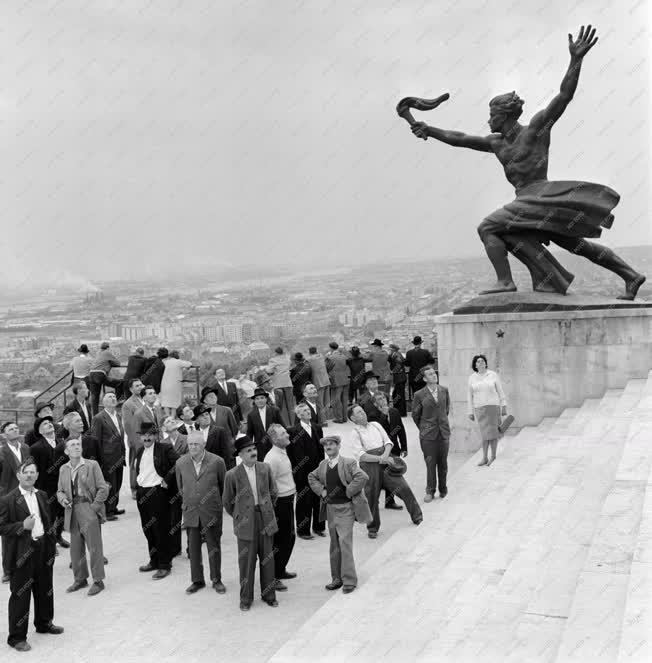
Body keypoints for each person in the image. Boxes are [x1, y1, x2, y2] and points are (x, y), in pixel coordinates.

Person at [0, 459, 64, 651]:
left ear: (37, 475)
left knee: (45, 588)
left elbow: (48, 520)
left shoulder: (43, 495)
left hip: (43, 548)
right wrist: (22, 526)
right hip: (21, 553)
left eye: (32, 472)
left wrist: (51, 543)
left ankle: (44, 623)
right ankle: (17, 637)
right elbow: (1, 527)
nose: (29, 475)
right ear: (19, 475)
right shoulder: (8, 500)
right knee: (21, 594)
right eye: (25, 472)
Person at [307, 435, 371, 595]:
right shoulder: (322, 465)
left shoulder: (348, 463)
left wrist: (349, 491)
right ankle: (337, 578)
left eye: (331, 444)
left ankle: (349, 580)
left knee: (344, 543)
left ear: (338, 446)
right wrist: (321, 491)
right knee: (334, 544)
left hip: (345, 509)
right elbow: (311, 477)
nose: (328, 447)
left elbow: (362, 477)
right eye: (326, 445)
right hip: (330, 509)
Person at [223, 435, 279, 611]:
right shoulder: (231, 475)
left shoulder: (265, 468)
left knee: (267, 559)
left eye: (254, 449)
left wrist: (266, 510)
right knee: (246, 562)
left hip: (265, 518)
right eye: (248, 451)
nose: (253, 452)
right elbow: (228, 501)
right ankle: (245, 598)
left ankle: (269, 595)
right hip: (245, 522)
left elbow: (273, 492)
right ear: (240, 454)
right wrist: (240, 516)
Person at [348, 404, 422, 537]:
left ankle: (417, 516)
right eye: (359, 413)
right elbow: (361, 455)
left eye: (363, 411)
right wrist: (379, 458)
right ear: (353, 418)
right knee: (372, 497)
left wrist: (385, 456)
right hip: (369, 466)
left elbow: (388, 441)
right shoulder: (355, 433)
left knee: (403, 487)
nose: (363, 414)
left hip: (386, 459)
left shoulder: (376, 424)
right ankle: (372, 528)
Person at [175, 430, 226, 595]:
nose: (193, 447)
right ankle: (197, 580)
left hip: (211, 511)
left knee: (214, 546)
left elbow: (223, 486)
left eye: (196, 444)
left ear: (203, 444)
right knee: (194, 548)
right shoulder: (181, 463)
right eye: (190, 444)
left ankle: (216, 579)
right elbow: (181, 487)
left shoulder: (217, 461)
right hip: (191, 512)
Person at [57, 437, 109, 596]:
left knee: (94, 547)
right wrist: (63, 499)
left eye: (78, 444)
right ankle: (80, 579)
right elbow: (59, 491)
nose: (77, 447)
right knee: (76, 548)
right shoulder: (63, 469)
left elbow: (103, 488)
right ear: (66, 451)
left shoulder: (92, 465)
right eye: (72, 445)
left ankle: (98, 581)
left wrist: (94, 507)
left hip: (88, 507)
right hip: (71, 511)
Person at [135, 421, 179, 580]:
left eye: (150, 435)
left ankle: (165, 564)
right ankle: (154, 560)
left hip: (157, 492)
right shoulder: (140, 451)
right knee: (148, 529)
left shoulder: (164, 448)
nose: (146, 438)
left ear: (155, 436)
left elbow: (177, 464)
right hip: (142, 493)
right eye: (144, 435)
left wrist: (166, 480)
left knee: (160, 529)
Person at [264, 424, 297, 592]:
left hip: (288, 499)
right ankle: (274, 576)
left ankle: (281, 569)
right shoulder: (272, 458)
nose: (287, 435)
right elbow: (268, 485)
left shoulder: (282, 452)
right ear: (275, 439)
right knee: (282, 540)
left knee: (289, 537)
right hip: (280, 504)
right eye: (283, 433)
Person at [411, 367, 451, 502]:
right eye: (430, 374)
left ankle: (443, 489)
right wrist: (424, 428)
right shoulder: (419, 394)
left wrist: (442, 424)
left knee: (443, 463)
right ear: (424, 379)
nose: (434, 375)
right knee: (430, 463)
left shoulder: (444, 390)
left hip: (443, 433)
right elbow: (416, 415)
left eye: (434, 373)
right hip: (428, 435)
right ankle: (430, 491)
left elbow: (446, 410)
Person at [287, 402, 325, 540]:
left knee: (318, 499)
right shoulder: (292, 431)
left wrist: (323, 468)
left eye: (308, 409)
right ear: (298, 415)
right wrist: (294, 471)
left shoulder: (317, 428)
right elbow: (290, 453)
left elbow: (322, 449)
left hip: (317, 470)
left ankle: (319, 527)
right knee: (304, 501)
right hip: (301, 472)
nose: (307, 412)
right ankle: (303, 530)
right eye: (304, 410)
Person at [30, 417, 69, 549]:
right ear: (40, 431)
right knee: (49, 517)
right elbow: (36, 470)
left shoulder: (62, 442)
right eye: (44, 424)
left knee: (62, 514)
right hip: (46, 488)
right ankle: (49, 543)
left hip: (63, 486)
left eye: (49, 423)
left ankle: (58, 536)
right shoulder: (36, 448)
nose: (49, 425)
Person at [0, 422, 30, 583]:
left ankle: (25, 564)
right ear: (4, 435)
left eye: (16, 427)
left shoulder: (25, 448)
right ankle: (8, 570)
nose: (15, 430)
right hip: (7, 498)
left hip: (26, 494)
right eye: (10, 429)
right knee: (8, 534)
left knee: (26, 529)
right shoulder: (2, 452)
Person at [91, 393, 126, 520]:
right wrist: (98, 460)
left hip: (119, 456)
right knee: (108, 485)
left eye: (114, 397)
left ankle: (113, 507)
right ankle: (107, 511)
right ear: (103, 402)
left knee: (118, 483)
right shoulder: (99, 418)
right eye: (109, 397)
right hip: (107, 458)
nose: (113, 398)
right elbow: (95, 440)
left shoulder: (118, 415)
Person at [468, 354, 508, 466]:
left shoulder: (493, 375)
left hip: (493, 407)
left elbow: (500, 391)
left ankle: (493, 456)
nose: (480, 363)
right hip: (479, 408)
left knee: (493, 433)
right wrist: (470, 412)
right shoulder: (472, 378)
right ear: (475, 365)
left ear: (486, 363)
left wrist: (504, 405)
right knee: (485, 434)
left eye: (482, 361)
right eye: (478, 361)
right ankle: (485, 458)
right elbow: (469, 396)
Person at [246, 387, 286, 461]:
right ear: (254, 401)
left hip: (275, 445)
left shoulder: (274, 410)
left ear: (266, 399)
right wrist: (249, 448)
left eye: (262, 398)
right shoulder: (251, 415)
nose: (260, 400)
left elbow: (283, 427)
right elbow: (249, 434)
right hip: (260, 448)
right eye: (257, 399)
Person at [121, 378, 145, 499]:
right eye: (136, 386)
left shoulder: (146, 400)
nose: (140, 387)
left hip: (150, 438)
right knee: (135, 464)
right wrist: (135, 441)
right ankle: (134, 488)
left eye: (140, 385)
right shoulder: (128, 404)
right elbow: (128, 425)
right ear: (131, 389)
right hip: (136, 439)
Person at [193, 404, 234, 469]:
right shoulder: (194, 435)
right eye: (202, 415)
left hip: (217, 469)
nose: (206, 417)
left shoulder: (220, 431)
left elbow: (227, 454)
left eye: (207, 414)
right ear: (197, 421)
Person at [88, 341, 122, 415]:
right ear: (108, 347)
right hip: (99, 374)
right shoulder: (107, 352)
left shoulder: (98, 353)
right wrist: (110, 363)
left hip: (91, 374)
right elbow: (118, 363)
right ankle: (116, 401)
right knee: (119, 383)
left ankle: (95, 415)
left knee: (95, 396)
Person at [267, 347, 295, 426]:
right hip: (288, 383)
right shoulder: (287, 359)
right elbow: (290, 367)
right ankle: (293, 423)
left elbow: (269, 371)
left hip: (278, 385)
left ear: (275, 352)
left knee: (282, 406)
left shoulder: (273, 360)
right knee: (290, 405)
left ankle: (286, 425)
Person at [325, 341, 350, 423]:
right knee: (344, 399)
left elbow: (326, 368)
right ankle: (345, 417)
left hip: (336, 380)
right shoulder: (343, 356)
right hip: (345, 379)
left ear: (330, 348)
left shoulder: (330, 357)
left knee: (336, 400)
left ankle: (339, 418)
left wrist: (326, 357)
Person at [307, 347, 330, 423]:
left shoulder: (310, 359)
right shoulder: (321, 356)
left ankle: (323, 421)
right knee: (326, 402)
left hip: (319, 382)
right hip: (326, 381)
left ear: (309, 352)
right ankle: (326, 418)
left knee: (319, 403)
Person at [388, 343, 407, 416]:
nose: (389, 351)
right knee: (396, 395)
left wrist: (392, 371)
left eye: (390, 349)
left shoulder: (397, 355)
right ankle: (398, 411)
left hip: (400, 378)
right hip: (399, 378)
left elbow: (399, 365)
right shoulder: (395, 354)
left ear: (392, 350)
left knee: (399, 395)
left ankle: (402, 413)